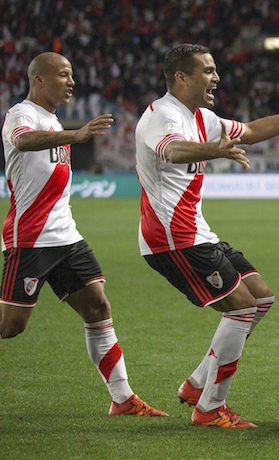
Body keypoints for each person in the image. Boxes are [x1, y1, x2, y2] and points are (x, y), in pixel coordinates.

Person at [134, 43, 279, 429]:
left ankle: (197, 384)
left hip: (198, 233)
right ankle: (210, 408)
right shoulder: (161, 115)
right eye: (208, 70)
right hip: (172, 239)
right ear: (182, 77)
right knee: (241, 307)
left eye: (215, 70)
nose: (216, 77)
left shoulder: (202, 116)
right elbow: (172, 151)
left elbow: (251, 130)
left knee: (261, 297)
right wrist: (212, 150)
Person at [0, 52, 166, 417]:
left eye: (73, 74)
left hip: (66, 237)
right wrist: (76, 135)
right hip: (31, 239)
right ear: (39, 79)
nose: (72, 81)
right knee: (11, 327)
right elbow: (23, 141)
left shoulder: (52, 119)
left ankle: (123, 399)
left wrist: (67, 132)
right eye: (63, 74)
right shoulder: (21, 114)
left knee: (98, 306)